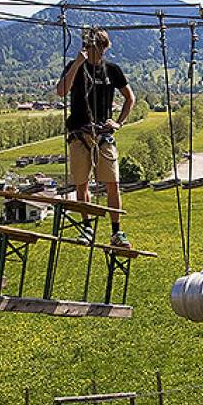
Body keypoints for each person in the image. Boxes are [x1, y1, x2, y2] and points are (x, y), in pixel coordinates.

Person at [56, 28, 134, 247]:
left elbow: (130, 98)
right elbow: (62, 91)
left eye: (99, 47)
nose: (96, 52)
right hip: (80, 133)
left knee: (113, 183)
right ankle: (87, 227)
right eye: (92, 47)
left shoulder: (112, 70)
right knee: (81, 184)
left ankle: (116, 231)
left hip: (103, 134)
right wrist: (77, 64)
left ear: (104, 47)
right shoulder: (75, 68)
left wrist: (118, 123)